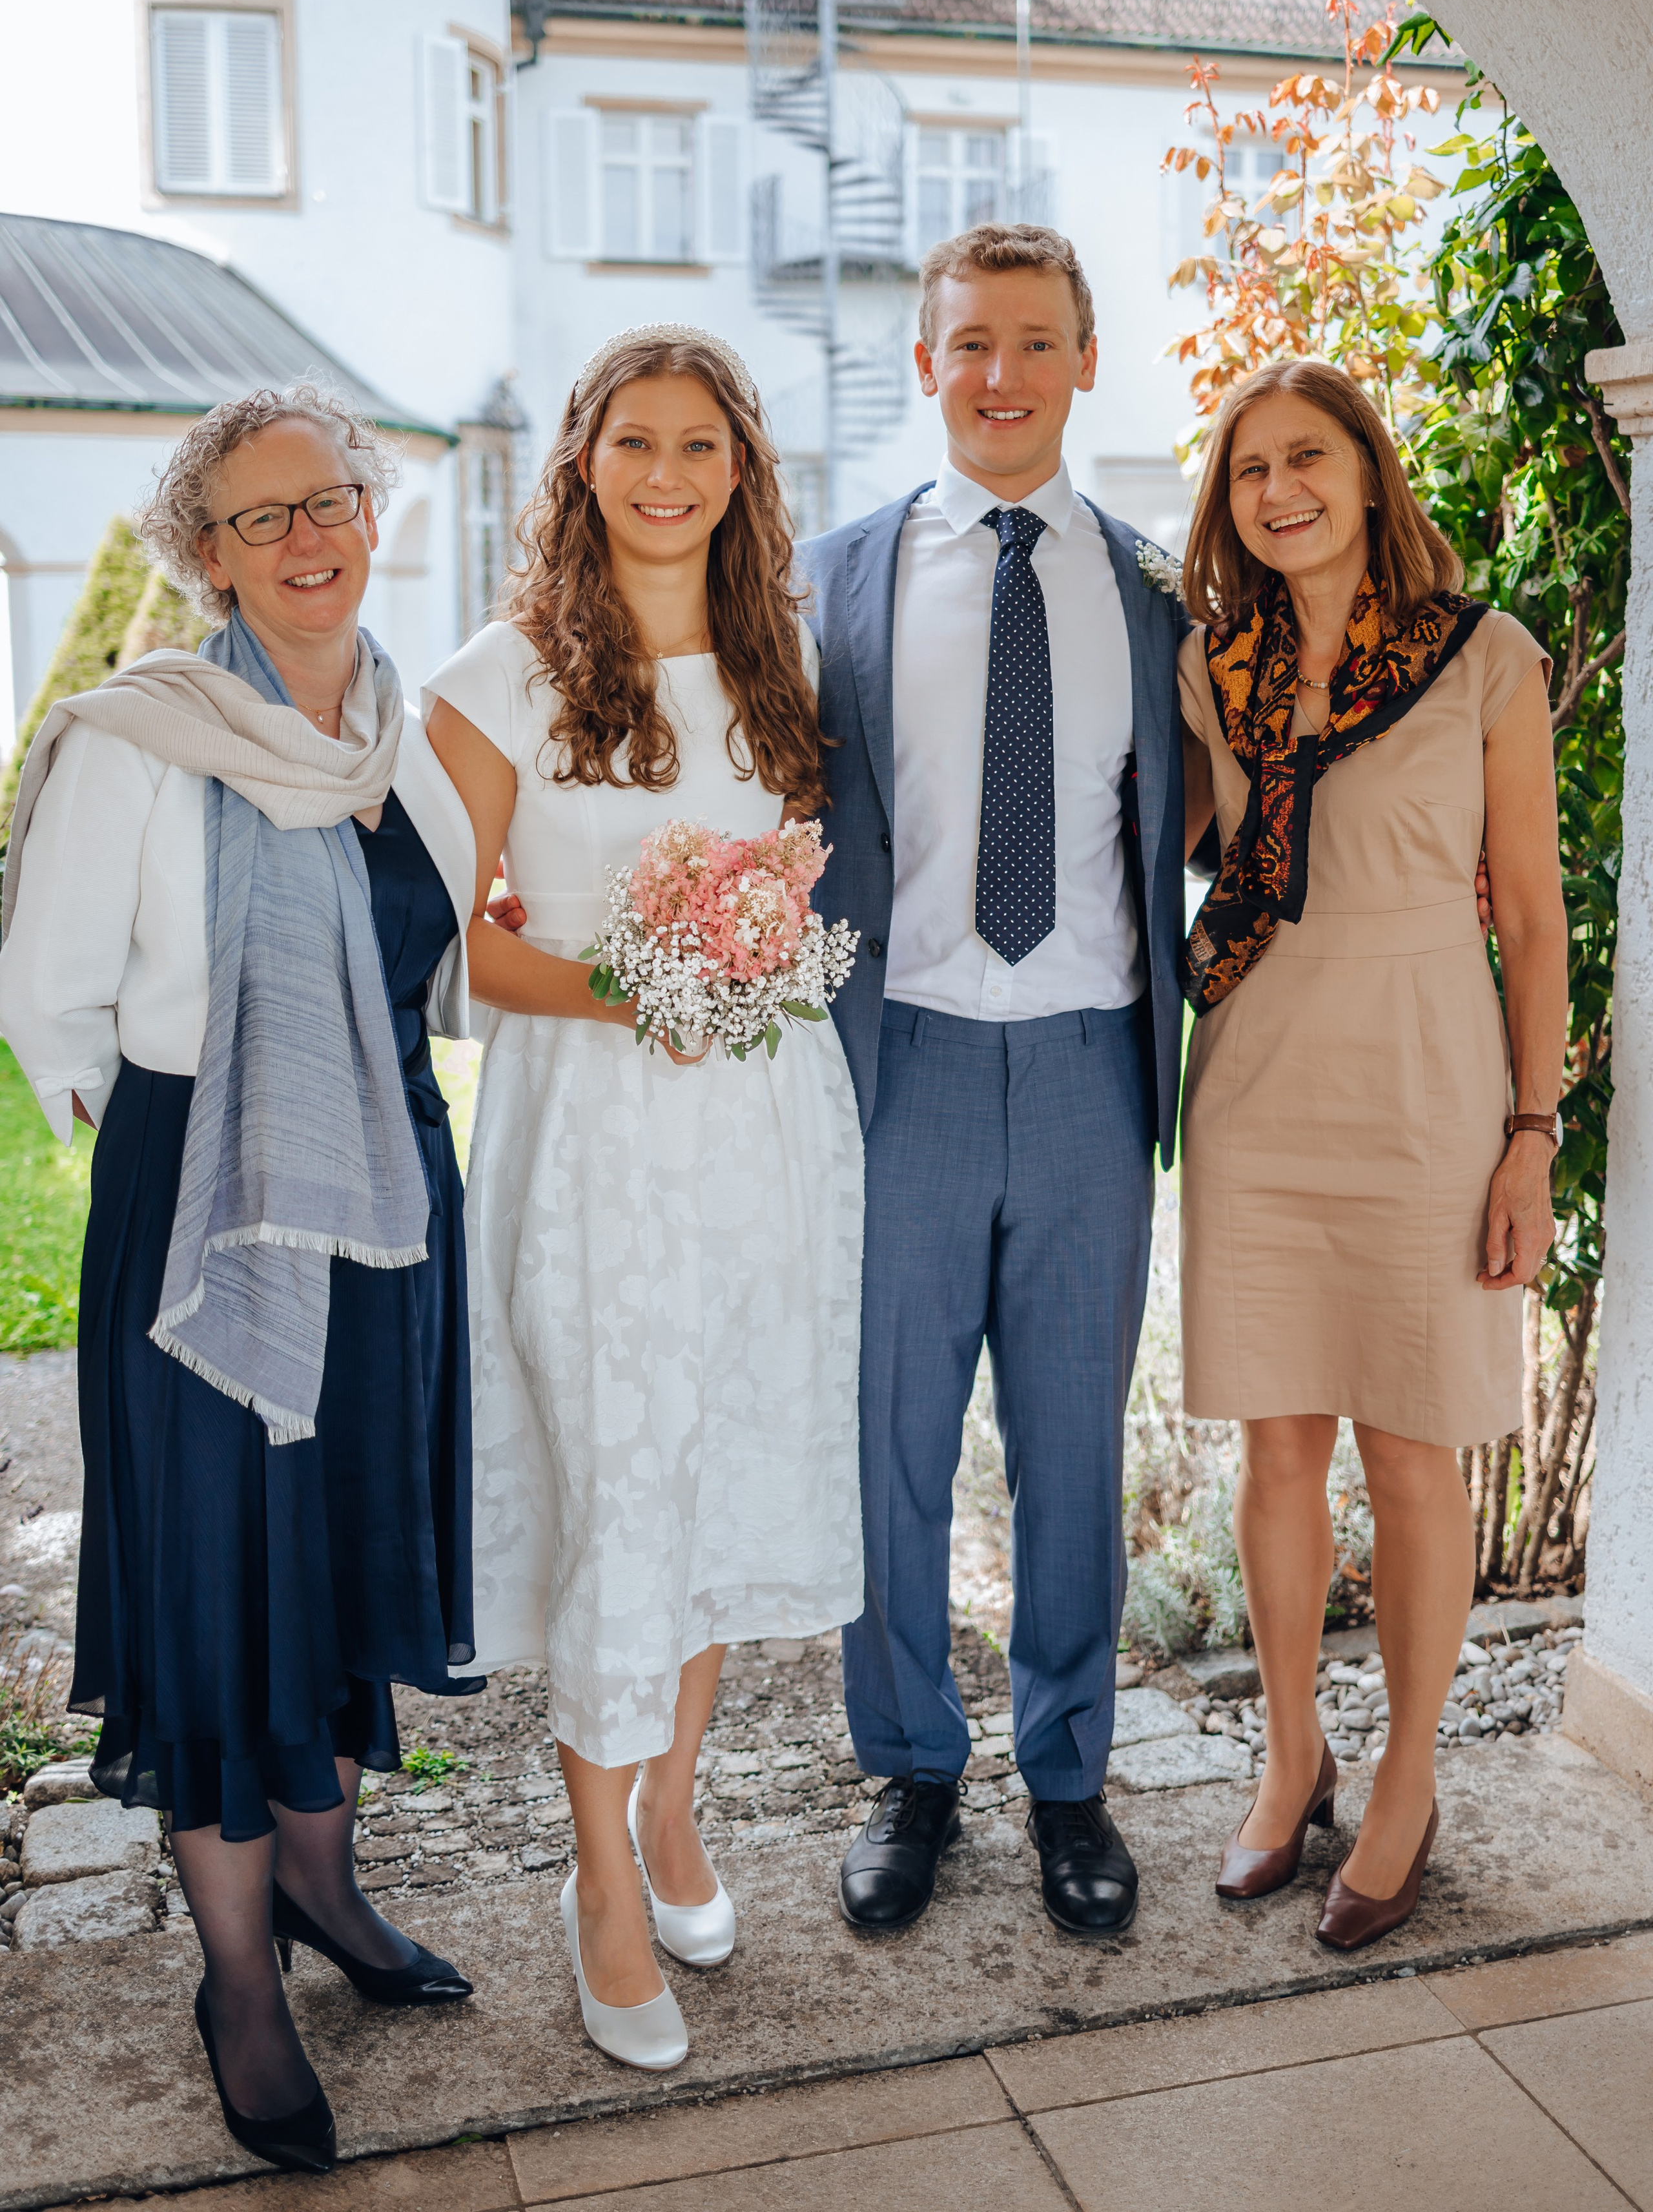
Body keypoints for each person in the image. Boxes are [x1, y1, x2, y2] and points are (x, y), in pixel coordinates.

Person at [0, 386, 482, 2175]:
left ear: (371, 512)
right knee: (218, 1584)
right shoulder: (146, 735)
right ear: (205, 554)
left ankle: (325, 1892)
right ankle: (237, 1983)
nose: (305, 538)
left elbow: (452, 961)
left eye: (328, 499)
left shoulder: (401, 735)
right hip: (204, 1200)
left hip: (384, 1193)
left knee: (341, 1555)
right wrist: (182, 1139)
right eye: (260, 516)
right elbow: (46, 993)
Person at [425, 325, 863, 2072]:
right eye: (634, 443)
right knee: (618, 1486)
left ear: (740, 469)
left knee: (713, 1472)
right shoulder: (500, 677)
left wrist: (746, 959)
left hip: (761, 1130)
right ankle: (599, 1880)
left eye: (699, 444)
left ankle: (673, 1807)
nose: (666, 475)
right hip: (593, 1142)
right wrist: (635, 989)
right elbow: (448, 949)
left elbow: (791, 885)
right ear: (582, 463)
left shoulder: (782, 661)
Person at [801, 224, 1187, 1939]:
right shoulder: (833, 582)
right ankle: (908, 1766)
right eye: (970, 343)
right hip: (905, 1069)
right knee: (885, 1442)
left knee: (1071, 1452)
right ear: (925, 365)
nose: (1002, 375)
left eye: (1035, 342)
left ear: (1085, 363)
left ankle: (1069, 1777)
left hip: (1095, 1066)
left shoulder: (1159, 593)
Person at [1177, 357, 1566, 1948]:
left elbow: (1529, 914)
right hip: (1254, 1077)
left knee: (1411, 1453)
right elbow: (1156, 847)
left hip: (1424, 1082)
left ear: (1364, 470)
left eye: (1306, 457)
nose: (1278, 490)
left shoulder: (1485, 656)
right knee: (1274, 1448)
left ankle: (1407, 1773)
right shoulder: (1212, 667)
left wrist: (1529, 1135)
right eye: (1248, 469)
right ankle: (1291, 1758)